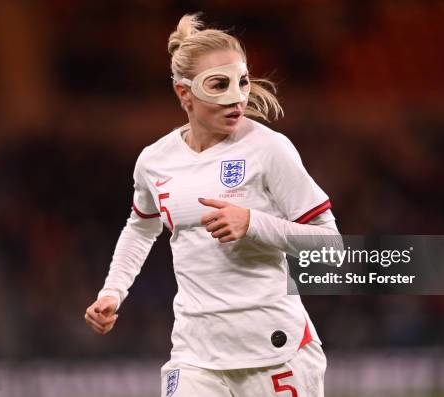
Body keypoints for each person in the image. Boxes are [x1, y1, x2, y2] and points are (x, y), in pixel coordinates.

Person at [85, 13, 341, 397]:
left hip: (275, 351)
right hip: (196, 356)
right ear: (183, 93)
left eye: (242, 82)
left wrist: (253, 223)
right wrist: (112, 292)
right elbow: (140, 227)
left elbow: (330, 245)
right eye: (218, 84)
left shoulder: (269, 149)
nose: (237, 96)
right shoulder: (155, 161)